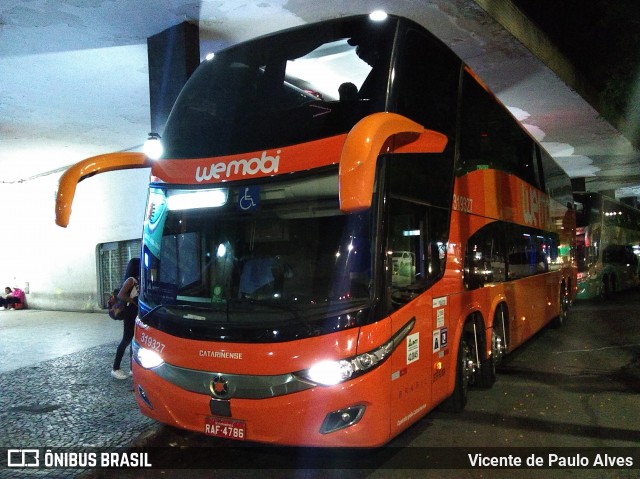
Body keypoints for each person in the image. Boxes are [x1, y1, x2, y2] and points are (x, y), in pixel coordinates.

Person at [111, 258, 140, 380]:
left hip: (134, 312)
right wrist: (133, 302)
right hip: (130, 312)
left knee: (133, 340)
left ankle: (132, 368)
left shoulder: (136, 280)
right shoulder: (131, 280)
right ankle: (115, 368)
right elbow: (120, 295)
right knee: (126, 340)